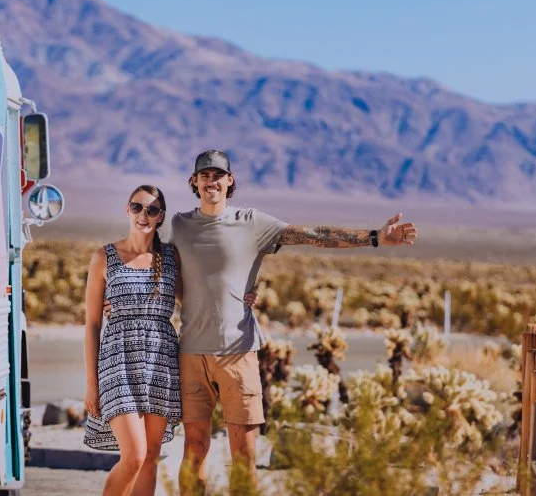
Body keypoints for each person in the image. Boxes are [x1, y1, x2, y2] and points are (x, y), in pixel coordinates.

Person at [170, 150, 418, 495]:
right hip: (191, 353)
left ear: (230, 181)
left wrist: (375, 236)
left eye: (218, 175)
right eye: (204, 175)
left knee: (243, 456)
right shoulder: (179, 224)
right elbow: (165, 273)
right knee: (193, 451)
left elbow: (312, 234)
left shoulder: (252, 222)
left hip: (236, 353)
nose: (211, 181)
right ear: (194, 182)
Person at [83, 184, 258, 496]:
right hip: (117, 363)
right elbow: (92, 324)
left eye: (151, 210)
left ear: (160, 216)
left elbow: (200, 296)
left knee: (150, 458)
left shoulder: (169, 258)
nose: (143, 214)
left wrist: (242, 295)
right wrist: (91, 384)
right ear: (127, 209)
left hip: (161, 363)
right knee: (134, 456)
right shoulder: (104, 257)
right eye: (137, 207)